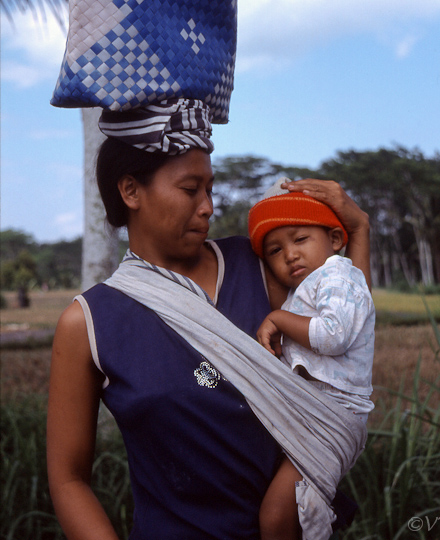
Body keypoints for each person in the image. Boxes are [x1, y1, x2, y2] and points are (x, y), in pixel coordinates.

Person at [47, 107, 372, 540]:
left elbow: (347, 325)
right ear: (130, 190)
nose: (208, 208)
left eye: (210, 189)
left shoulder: (256, 266)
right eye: (190, 189)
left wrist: (360, 229)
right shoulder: (90, 322)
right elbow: (68, 480)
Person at [248, 179, 375, 540]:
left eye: (300, 239)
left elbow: (332, 335)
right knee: (282, 512)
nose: (289, 254)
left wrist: (277, 320)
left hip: (333, 412)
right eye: (274, 250)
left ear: (335, 240)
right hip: (315, 411)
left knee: (276, 518)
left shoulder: (339, 274)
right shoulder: (310, 286)